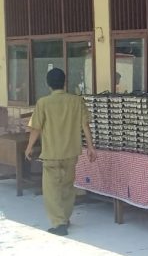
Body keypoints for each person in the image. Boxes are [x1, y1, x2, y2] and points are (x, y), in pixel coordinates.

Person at [25, 68, 97, 236]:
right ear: (65, 82)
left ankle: (59, 223)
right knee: (67, 187)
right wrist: (91, 147)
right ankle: (65, 217)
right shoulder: (77, 101)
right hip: (71, 153)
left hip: (51, 154)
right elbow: (85, 125)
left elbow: (36, 128)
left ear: (48, 84)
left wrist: (29, 147)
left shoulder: (43, 103)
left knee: (52, 190)